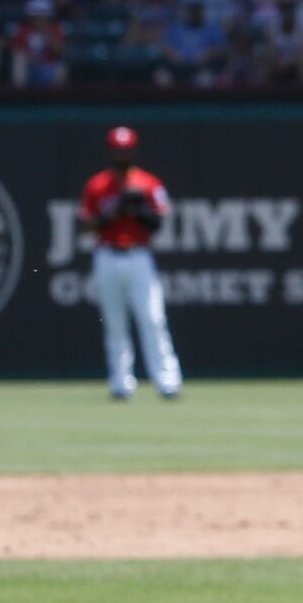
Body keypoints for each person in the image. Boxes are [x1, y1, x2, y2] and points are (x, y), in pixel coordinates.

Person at [79, 125, 183, 400]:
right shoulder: (98, 185)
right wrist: (112, 214)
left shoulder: (148, 184)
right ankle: (121, 383)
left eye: (125, 150)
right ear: (110, 151)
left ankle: (167, 381)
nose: (121, 155)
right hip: (107, 254)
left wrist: (140, 210)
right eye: (117, 150)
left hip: (139, 256)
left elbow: (158, 221)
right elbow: (84, 226)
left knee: (152, 318)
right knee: (114, 323)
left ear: (133, 151)